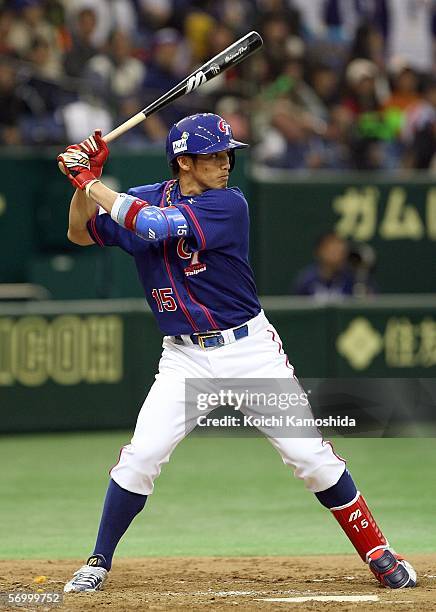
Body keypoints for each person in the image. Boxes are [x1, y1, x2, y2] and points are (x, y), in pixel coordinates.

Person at [57, 113, 416, 593]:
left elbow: (154, 229)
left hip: (249, 352)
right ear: (183, 162)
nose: (227, 162)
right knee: (141, 456)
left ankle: (378, 551)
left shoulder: (229, 204)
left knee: (310, 457)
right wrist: (82, 187)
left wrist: (91, 179)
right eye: (215, 156)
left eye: (229, 154)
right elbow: (80, 233)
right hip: (184, 358)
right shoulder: (141, 197)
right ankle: (98, 561)